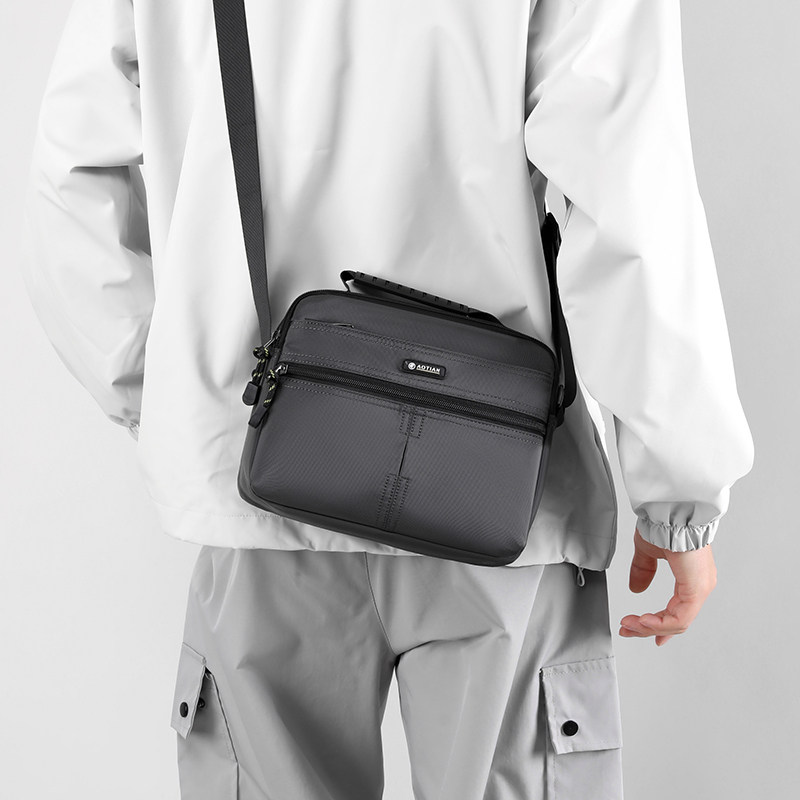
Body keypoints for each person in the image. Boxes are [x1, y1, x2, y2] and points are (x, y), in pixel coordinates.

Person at [19, 0, 754, 797]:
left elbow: (70, 179)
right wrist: (678, 491)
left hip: (262, 494)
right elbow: (629, 197)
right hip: (501, 491)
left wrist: (184, 404)